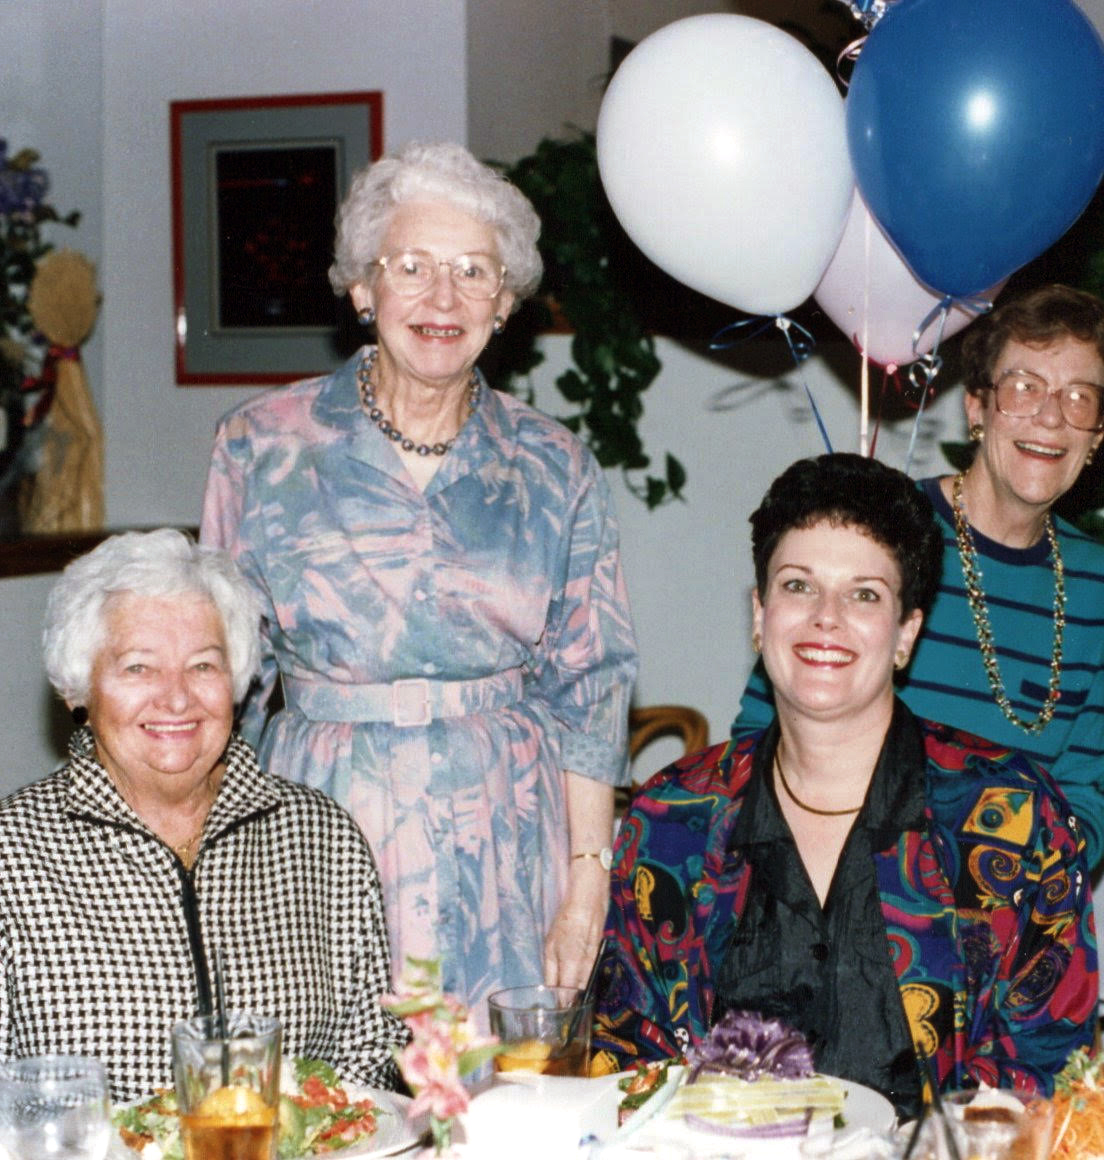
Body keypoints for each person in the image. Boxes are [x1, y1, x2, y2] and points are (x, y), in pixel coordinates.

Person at [201, 141, 637, 1010]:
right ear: (363, 288)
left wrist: (588, 880)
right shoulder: (262, 444)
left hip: (506, 842)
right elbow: (221, 678)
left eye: (473, 271)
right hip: (319, 831)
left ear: (504, 302)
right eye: (413, 266)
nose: (444, 298)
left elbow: (591, 687)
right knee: (328, 1083)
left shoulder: (554, 465)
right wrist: (209, 867)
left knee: (502, 1086)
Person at [596, 454, 1096, 1118]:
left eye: (864, 594)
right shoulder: (671, 820)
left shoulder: (1011, 822)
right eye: (798, 586)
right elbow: (630, 1066)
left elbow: (1045, 1077)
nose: (826, 617)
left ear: (906, 632)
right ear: (759, 614)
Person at [0, 530, 405, 1102]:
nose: (176, 698)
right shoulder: (12, 853)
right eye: (138, 668)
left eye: (203, 666)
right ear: (78, 690)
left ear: (235, 682)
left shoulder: (323, 838)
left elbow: (371, 1065)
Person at [735, 285, 1104, 866]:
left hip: (1006, 889)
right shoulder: (884, 535)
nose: (1050, 417)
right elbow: (760, 738)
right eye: (1023, 387)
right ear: (976, 407)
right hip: (847, 874)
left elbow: (1083, 795)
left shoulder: (1098, 583)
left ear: (1098, 432)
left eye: (1079, 398)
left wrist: (1018, 878)